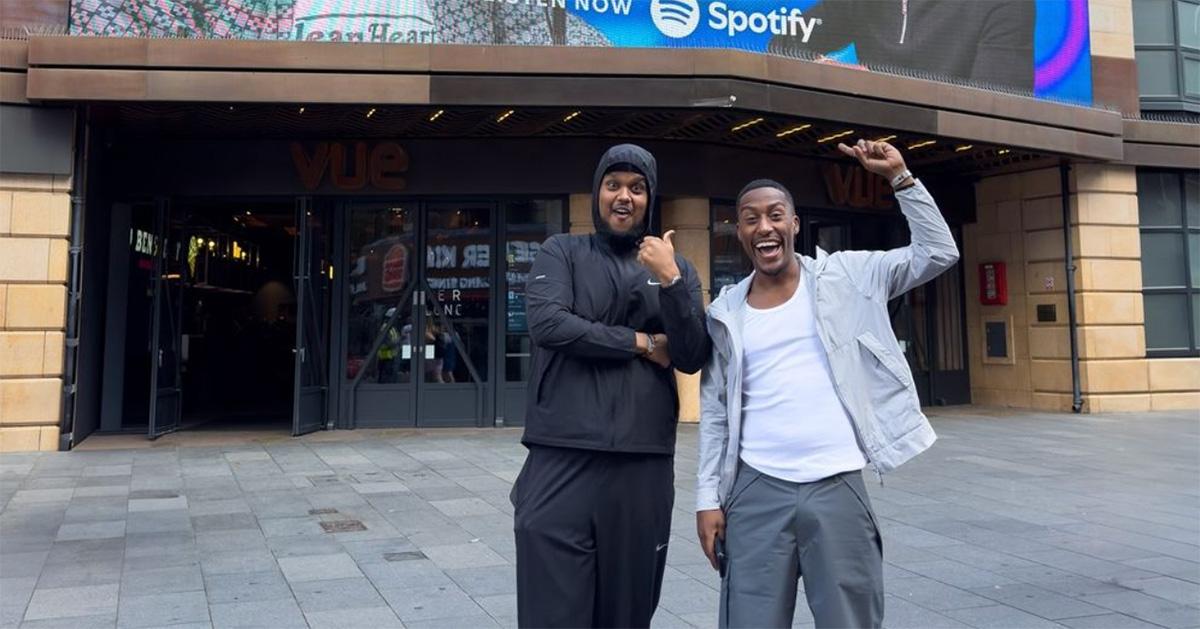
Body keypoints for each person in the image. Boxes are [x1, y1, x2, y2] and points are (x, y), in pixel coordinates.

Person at [695, 139, 959, 629]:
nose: (764, 227)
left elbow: (938, 252)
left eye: (775, 215)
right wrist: (707, 499)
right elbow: (714, 411)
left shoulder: (849, 275)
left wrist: (901, 178)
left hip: (838, 485)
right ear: (740, 232)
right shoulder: (725, 313)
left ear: (794, 224)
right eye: (751, 219)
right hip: (755, 489)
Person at [514, 144, 711, 628]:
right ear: (597, 193)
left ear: (650, 198)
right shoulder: (562, 251)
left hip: (641, 463)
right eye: (614, 185)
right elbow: (551, 325)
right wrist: (643, 342)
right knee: (550, 610)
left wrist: (671, 283)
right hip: (560, 457)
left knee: (627, 612)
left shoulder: (674, 268)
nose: (625, 196)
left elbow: (690, 355)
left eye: (637, 188)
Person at [770, 0, 1035, 92]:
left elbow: (996, 106)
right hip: (863, 148)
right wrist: (824, 70)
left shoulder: (1007, 5)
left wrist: (870, 85)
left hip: (951, 159)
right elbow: (782, 46)